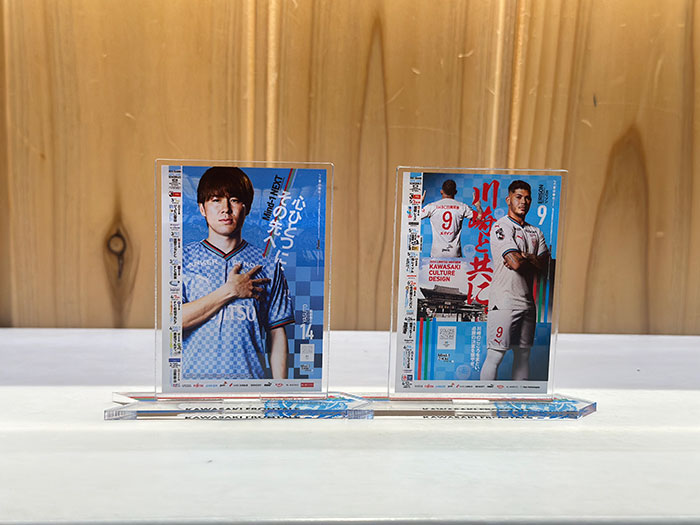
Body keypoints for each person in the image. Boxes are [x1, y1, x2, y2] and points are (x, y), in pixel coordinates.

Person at [181, 167, 294, 380]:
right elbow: (173, 322)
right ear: (202, 208)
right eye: (216, 200)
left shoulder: (268, 264)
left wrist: (280, 392)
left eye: (234, 200)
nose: (225, 209)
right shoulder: (181, 259)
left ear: (247, 207)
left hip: (250, 385)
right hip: (193, 385)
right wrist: (230, 290)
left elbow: (277, 332)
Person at [481, 180, 549, 381]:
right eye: (518, 197)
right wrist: (531, 259)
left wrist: (525, 256)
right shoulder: (501, 226)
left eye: (527, 198)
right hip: (504, 301)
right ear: (508, 199)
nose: (523, 202)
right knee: (495, 355)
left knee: (523, 355)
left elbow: (545, 266)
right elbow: (515, 263)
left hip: (528, 304)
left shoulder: (536, 231)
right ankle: (485, 397)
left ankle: (519, 397)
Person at [421, 179, 483, 257]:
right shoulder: (462, 207)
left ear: (441, 191)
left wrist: (418, 204)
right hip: (454, 253)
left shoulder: (431, 206)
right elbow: (480, 219)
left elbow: (412, 218)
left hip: (437, 253)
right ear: (455, 192)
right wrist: (478, 206)